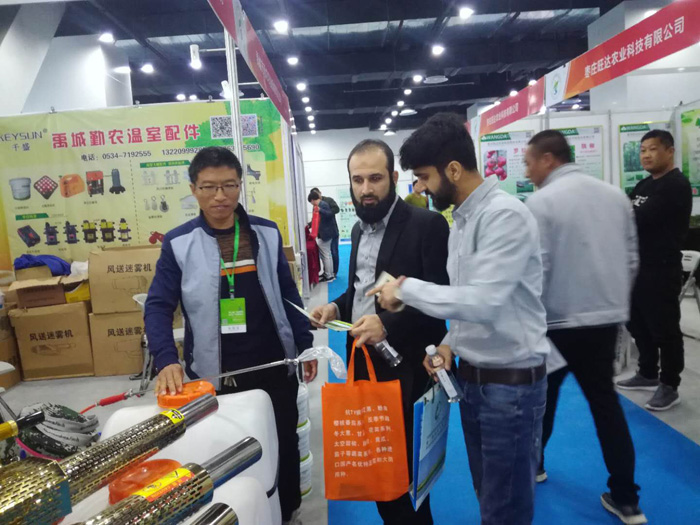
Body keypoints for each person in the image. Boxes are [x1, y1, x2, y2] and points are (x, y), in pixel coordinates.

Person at [370, 113, 550, 525]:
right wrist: (452, 343)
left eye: (424, 177)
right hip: (473, 383)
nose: (421, 188)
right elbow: (469, 301)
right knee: (488, 495)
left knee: (505, 507)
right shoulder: (463, 221)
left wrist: (405, 288)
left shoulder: (504, 216)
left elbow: (484, 301)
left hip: (510, 388)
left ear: (453, 170)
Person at [144, 146, 317, 525]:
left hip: (275, 366)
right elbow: (157, 306)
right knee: (227, 452)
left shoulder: (266, 233)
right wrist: (166, 359)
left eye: (229, 185)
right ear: (193, 189)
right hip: (216, 376)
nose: (219, 196)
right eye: (209, 187)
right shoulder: (179, 242)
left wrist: (305, 345)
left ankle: (288, 514)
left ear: (240, 186)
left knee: (283, 445)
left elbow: (288, 294)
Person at [310, 139, 450, 525]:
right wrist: (335, 307)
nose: (366, 189)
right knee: (377, 472)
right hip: (364, 365)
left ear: (393, 177)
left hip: (409, 370)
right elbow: (361, 289)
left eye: (375, 178)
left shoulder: (427, 226)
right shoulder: (358, 229)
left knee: (404, 479)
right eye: (358, 180)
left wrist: (386, 323)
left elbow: (441, 299)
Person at [524, 130, 646, 525]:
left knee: (542, 399)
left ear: (548, 159)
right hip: (604, 320)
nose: (527, 171)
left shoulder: (541, 202)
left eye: (529, 162)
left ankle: (533, 466)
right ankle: (627, 499)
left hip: (556, 322)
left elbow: (537, 268)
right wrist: (612, 304)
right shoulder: (615, 196)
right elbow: (631, 259)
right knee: (606, 406)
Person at [617, 130, 692, 412]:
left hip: (661, 269)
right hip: (637, 268)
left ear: (669, 151)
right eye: (642, 150)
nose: (646, 155)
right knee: (636, 322)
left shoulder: (675, 185)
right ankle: (647, 372)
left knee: (665, 330)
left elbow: (636, 218)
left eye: (652, 149)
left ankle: (669, 385)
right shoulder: (645, 185)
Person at [310, 187, 340, 276]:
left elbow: (335, 210)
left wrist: (323, 211)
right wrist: (310, 225)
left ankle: (334, 272)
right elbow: (316, 219)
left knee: (333, 252)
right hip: (323, 232)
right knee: (327, 254)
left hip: (331, 231)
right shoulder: (316, 205)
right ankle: (329, 272)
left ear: (319, 193)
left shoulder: (327, 201)